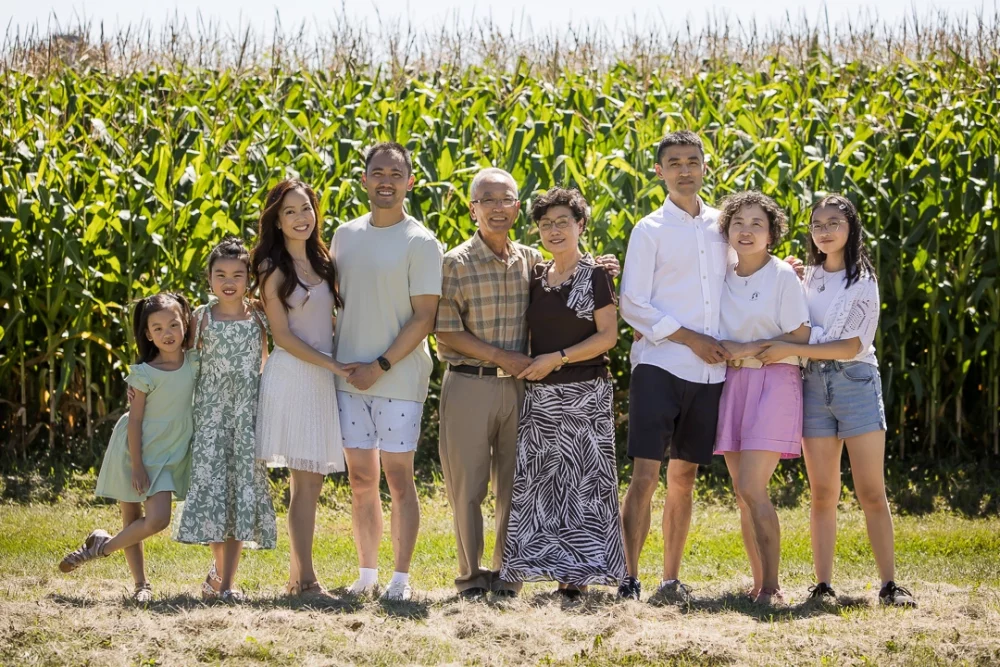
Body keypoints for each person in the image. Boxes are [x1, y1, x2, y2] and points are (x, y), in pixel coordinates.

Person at [435, 167, 620, 601]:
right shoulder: (454, 262)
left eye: (506, 200)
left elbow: (574, 271)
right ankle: (470, 578)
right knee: (467, 487)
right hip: (470, 383)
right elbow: (446, 332)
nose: (498, 209)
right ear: (472, 207)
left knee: (516, 484)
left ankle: (507, 573)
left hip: (523, 389)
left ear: (517, 208)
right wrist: (504, 357)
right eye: (488, 200)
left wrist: (603, 264)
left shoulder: (530, 262)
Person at [755, 194, 916, 607]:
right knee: (823, 492)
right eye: (817, 225)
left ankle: (888, 585)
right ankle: (823, 585)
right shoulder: (803, 277)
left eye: (833, 223)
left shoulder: (863, 281)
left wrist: (790, 346)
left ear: (851, 228)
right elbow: (780, 310)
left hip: (855, 383)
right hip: (810, 386)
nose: (824, 232)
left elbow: (850, 346)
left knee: (871, 491)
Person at [618, 130, 732, 602]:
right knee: (644, 476)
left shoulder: (726, 226)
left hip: (710, 375)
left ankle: (670, 579)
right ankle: (628, 577)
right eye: (675, 163)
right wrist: (690, 338)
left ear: (705, 167)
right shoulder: (649, 230)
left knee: (684, 477)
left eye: (693, 161)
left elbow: (749, 275)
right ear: (660, 172)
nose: (685, 170)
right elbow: (632, 304)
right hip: (660, 367)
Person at [499, 187, 626, 599]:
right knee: (544, 483)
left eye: (563, 222)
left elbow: (608, 337)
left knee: (585, 481)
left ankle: (578, 577)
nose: (554, 231)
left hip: (585, 392)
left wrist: (558, 357)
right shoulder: (537, 276)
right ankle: (548, 568)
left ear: (580, 225)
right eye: (545, 224)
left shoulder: (596, 276)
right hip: (541, 394)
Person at [331, 142, 443, 601]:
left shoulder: (421, 242)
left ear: (409, 182)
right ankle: (366, 573)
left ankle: (400, 578)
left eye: (395, 174)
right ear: (363, 180)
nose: (386, 181)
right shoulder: (344, 236)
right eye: (378, 172)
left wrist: (379, 366)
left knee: (398, 479)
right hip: (349, 378)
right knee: (360, 480)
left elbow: (424, 318)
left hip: (397, 376)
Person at [252, 179, 355, 599]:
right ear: (276, 219)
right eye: (290, 211)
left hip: (320, 377)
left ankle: (298, 580)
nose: (301, 218)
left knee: (307, 484)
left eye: (306, 209)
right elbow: (283, 337)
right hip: (295, 375)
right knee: (306, 482)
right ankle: (307, 581)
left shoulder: (324, 260)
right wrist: (332, 364)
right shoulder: (273, 269)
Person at [59, 293, 196, 603]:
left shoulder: (194, 362)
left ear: (186, 324)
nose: (167, 333)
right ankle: (141, 586)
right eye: (158, 328)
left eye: (174, 324)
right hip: (136, 449)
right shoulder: (144, 374)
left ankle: (101, 546)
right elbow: (134, 422)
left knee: (156, 519)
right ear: (147, 334)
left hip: (172, 451)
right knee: (138, 517)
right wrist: (137, 465)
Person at [711, 192, 810, 605]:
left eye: (756, 224)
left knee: (753, 486)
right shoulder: (719, 275)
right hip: (733, 385)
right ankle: (757, 584)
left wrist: (744, 349)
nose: (746, 230)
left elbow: (800, 338)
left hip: (775, 382)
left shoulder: (783, 275)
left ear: (772, 234)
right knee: (741, 492)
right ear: (727, 232)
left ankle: (773, 588)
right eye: (738, 223)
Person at [174, 237, 277, 602]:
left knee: (239, 497)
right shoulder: (200, 318)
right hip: (210, 420)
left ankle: (228, 583)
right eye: (220, 274)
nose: (228, 281)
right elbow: (184, 366)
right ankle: (218, 573)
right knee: (216, 497)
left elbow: (269, 362)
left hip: (245, 418)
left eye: (237, 273)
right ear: (209, 278)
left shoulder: (259, 317)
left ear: (248, 277)